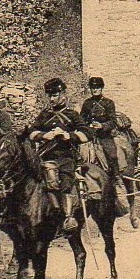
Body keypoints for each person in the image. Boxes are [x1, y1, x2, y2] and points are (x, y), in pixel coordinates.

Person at [29, 78, 93, 232]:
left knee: (65, 182)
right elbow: (31, 132)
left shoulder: (72, 115)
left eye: (55, 95)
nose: (52, 99)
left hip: (65, 156)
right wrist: (44, 135)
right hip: (45, 156)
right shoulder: (44, 115)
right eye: (50, 96)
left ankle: (68, 217)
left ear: (63, 95)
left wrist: (68, 135)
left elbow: (87, 133)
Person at [80, 77, 128, 214]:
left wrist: (102, 125)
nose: (95, 90)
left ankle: (116, 177)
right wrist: (87, 126)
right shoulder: (87, 104)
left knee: (112, 153)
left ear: (101, 88)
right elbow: (82, 120)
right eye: (93, 88)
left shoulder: (108, 103)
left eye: (97, 88)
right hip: (89, 136)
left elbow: (113, 121)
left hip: (104, 136)